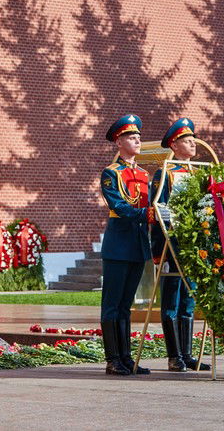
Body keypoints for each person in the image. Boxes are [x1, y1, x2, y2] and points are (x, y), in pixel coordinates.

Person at [150, 117, 209, 372]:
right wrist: (157, 250)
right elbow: (158, 211)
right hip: (172, 245)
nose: (192, 143)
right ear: (174, 145)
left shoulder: (197, 173)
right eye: (187, 140)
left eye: (193, 139)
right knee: (171, 299)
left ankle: (187, 353)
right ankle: (175, 356)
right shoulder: (165, 173)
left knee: (189, 300)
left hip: (193, 246)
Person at [99, 114, 157, 376]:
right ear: (119, 142)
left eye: (138, 137)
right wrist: (146, 214)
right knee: (113, 304)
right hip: (118, 244)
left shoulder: (144, 174)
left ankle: (126, 357)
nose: (137, 141)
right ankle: (113, 360)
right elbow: (118, 205)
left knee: (126, 305)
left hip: (137, 244)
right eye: (132, 138)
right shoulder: (111, 173)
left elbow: (151, 205)